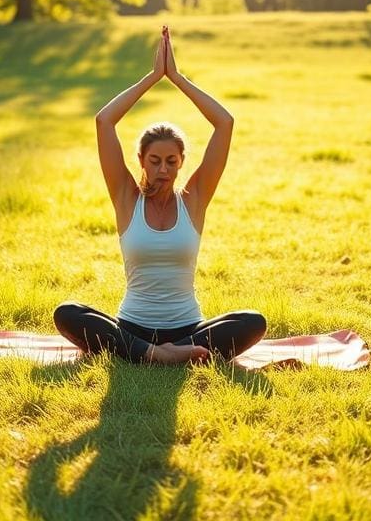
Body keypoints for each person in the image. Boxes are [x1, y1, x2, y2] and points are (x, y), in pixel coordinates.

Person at [53, 26, 267, 365]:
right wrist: (153, 77)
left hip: (189, 329)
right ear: (141, 160)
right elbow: (104, 121)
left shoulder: (194, 199)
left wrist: (177, 78)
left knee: (253, 322)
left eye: (171, 161)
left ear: (182, 162)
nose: (163, 169)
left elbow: (224, 123)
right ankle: (154, 353)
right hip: (132, 326)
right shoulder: (126, 198)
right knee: (67, 312)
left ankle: (158, 352)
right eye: (155, 161)